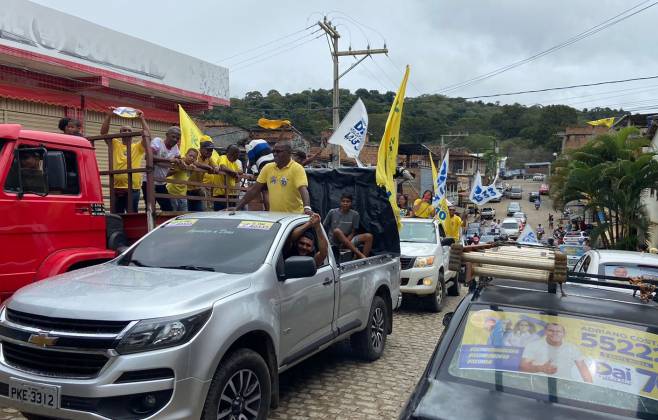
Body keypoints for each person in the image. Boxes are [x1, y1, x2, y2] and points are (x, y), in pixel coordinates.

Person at [234, 142, 312, 215]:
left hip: (293, 217)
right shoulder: (268, 168)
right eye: (273, 151)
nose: (274, 154)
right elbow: (254, 190)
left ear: (289, 153)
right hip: (274, 217)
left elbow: (303, 189)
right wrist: (237, 208)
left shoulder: (297, 168)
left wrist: (307, 208)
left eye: (278, 151)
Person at [100, 108, 151, 213]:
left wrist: (142, 119)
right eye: (124, 130)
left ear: (132, 134)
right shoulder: (115, 144)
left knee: (132, 216)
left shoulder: (137, 147)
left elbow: (147, 136)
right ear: (120, 133)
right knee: (117, 216)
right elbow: (103, 133)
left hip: (133, 189)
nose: (127, 132)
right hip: (117, 188)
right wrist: (109, 115)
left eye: (129, 131)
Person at [520, 322, 592, 383]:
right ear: (545, 332)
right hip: (538, 387)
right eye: (551, 330)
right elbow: (523, 367)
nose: (555, 333)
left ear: (564, 334)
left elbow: (583, 369)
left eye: (558, 331)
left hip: (565, 389)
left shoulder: (572, 348)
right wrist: (540, 368)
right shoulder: (533, 345)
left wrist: (590, 389)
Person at [323, 193, 373, 259]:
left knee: (369, 236)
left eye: (348, 201)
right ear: (340, 202)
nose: (345, 203)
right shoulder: (332, 212)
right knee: (337, 231)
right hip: (334, 241)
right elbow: (324, 226)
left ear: (351, 203)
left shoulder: (355, 214)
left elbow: (353, 231)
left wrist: (347, 241)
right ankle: (360, 255)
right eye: (343, 201)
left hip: (348, 239)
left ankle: (364, 261)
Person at [149, 127, 181, 211]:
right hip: (149, 182)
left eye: (177, 138)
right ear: (167, 135)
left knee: (168, 209)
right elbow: (148, 157)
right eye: (173, 136)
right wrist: (169, 160)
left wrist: (182, 162)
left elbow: (179, 159)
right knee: (150, 209)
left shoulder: (175, 148)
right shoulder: (158, 142)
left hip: (161, 183)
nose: (175, 140)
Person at [213, 144, 242, 211]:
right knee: (220, 215)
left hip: (230, 194)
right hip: (220, 194)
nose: (237, 158)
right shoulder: (223, 157)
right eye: (236, 155)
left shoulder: (233, 163)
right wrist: (234, 173)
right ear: (231, 154)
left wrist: (236, 173)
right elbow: (223, 167)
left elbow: (240, 171)